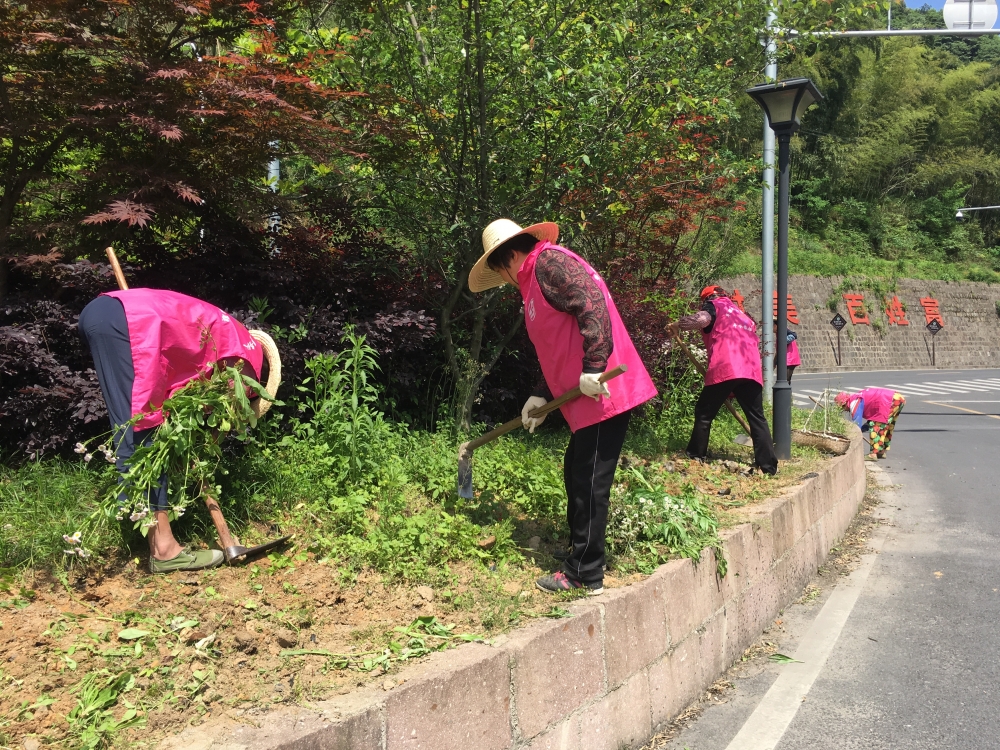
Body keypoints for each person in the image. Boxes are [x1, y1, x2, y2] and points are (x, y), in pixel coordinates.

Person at [468, 219, 658, 595]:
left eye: (499, 271)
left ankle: (585, 573)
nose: (504, 279)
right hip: (584, 396)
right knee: (576, 470)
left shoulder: (548, 263)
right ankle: (579, 548)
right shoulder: (534, 280)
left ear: (507, 259)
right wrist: (539, 394)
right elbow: (556, 343)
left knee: (589, 480)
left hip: (603, 391)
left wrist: (594, 367)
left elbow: (592, 304)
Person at [78, 288, 274, 573]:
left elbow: (186, 402)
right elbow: (221, 407)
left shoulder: (228, 333)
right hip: (126, 321)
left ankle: (157, 536)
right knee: (141, 425)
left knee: (146, 424)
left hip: (113, 313)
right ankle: (164, 551)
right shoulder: (245, 361)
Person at [670, 285, 778, 475]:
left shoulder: (714, 306)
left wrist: (678, 324)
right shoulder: (743, 315)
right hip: (751, 370)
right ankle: (768, 466)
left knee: (704, 412)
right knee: (757, 418)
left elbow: (702, 319)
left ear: (706, 299)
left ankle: (696, 455)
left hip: (726, 367)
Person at [835, 388, 905, 460]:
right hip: (898, 398)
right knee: (887, 425)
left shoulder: (854, 402)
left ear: (844, 404)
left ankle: (873, 454)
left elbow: (856, 424)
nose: (844, 410)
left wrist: (853, 437)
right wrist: (864, 427)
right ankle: (881, 451)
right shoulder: (857, 397)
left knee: (876, 426)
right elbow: (871, 416)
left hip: (889, 401)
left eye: (842, 408)